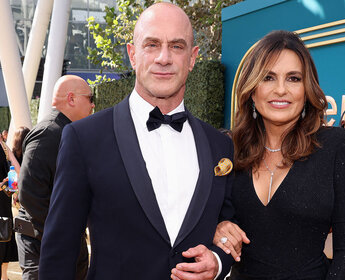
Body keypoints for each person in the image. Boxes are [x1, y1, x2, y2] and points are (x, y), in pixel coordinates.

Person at [39, 3, 234, 280]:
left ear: (192, 58)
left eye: (177, 47)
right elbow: (59, 250)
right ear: (132, 54)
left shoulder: (220, 147)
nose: (164, 58)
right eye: (152, 45)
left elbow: (229, 226)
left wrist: (217, 260)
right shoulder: (84, 138)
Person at [213, 30, 345, 279]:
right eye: (268, 78)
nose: (281, 89)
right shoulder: (228, 148)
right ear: (251, 89)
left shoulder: (335, 145)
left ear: (307, 88)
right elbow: (202, 218)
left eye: (293, 78)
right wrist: (216, 227)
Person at [16, 75, 94, 280]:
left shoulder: (65, 131)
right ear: (71, 99)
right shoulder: (47, 133)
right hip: (44, 248)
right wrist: (61, 233)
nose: (93, 105)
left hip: (62, 245)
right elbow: (29, 193)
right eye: (90, 97)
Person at [0, 141, 19, 280]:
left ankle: (4, 277)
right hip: (4, 200)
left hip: (4, 201)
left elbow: (17, 169)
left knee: (5, 236)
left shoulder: (3, 146)